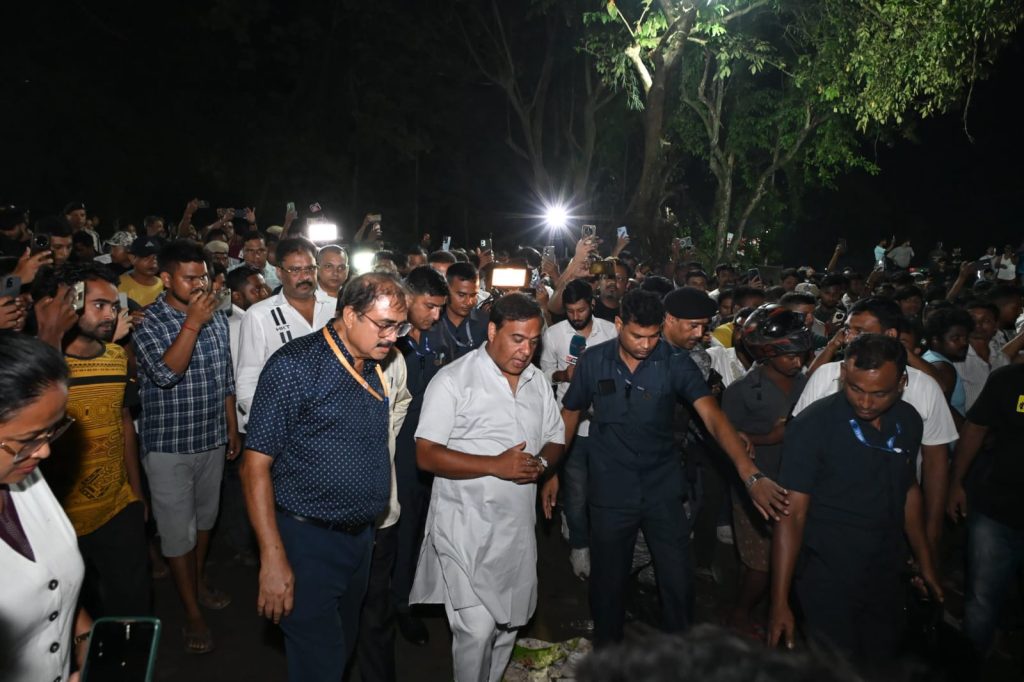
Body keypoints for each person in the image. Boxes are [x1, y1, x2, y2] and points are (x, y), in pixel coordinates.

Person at [560, 289, 789, 646]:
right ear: (619, 324)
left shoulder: (675, 362)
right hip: (611, 493)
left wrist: (751, 475)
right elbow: (570, 413)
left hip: (662, 490)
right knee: (608, 583)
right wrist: (552, 471)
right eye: (637, 336)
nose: (646, 345)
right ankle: (607, 655)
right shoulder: (593, 361)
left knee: (678, 581)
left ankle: (679, 657)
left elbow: (712, 417)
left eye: (653, 336)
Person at [241, 273, 408, 681]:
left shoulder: (374, 364)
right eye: (384, 325)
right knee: (322, 663)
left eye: (399, 327)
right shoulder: (295, 366)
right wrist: (272, 558)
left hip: (360, 539)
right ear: (350, 315)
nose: (393, 337)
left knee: (343, 647)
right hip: (307, 541)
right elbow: (254, 466)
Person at [412, 293, 565, 682]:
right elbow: (426, 454)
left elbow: (555, 437)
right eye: (517, 339)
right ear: (493, 331)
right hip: (463, 530)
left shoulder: (536, 381)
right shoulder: (454, 380)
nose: (525, 351)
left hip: (516, 532)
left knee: (509, 627)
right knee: (476, 631)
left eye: (533, 342)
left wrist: (542, 466)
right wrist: (495, 466)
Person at [769, 334, 942, 664]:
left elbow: (908, 490)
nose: (865, 402)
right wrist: (779, 602)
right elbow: (793, 514)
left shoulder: (908, 420)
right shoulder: (812, 425)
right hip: (827, 570)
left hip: (887, 569)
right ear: (843, 375)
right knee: (837, 665)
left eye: (879, 393)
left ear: (902, 382)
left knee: (881, 659)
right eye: (855, 388)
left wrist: (925, 560)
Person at [133, 239, 240, 654]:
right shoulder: (149, 321)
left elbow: (224, 374)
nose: (200, 285)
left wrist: (231, 426)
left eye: (204, 277)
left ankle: (196, 582)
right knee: (178, 534)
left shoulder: (214, 315)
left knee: (205, 521)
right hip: (169, 445)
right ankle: (191, 612)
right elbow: (165, 374)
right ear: (166, 278)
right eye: (190, 278)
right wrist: (192, 322)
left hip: (211, 438)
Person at [796, 297, 957, 556]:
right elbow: (799, 451)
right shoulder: (826, 376)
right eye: (847, 330)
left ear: (890, 335)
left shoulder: (925, 388)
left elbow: (935, 462)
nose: (849, 339)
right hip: (826, 518)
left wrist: (932, 530)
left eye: (860, 332)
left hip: (894, 520)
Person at [41, 264, 151, 620]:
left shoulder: (116, 357)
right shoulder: (45, 364)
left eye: (113, 306)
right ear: (70, 304)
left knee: (131, 607)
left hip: (117, 508)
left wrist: (136, 493)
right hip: (60, 517)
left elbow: (124, 422)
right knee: (72, 613)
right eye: (99, 305)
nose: (110, 314)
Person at [0, 331, 91, 682]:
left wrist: (82, 633)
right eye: (27, 440)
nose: (44, 451)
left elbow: (51, 581)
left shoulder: (24, 475)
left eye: (51, 431)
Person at [721, 305, 810, 637]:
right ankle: (739, 614)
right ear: (767, 353)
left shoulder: (810, 383)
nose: (797, 362)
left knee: (792, 557)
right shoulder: (741, 392)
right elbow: (727, 441)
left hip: (799, 485)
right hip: (758, 489)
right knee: (761, 564)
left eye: (801, 354)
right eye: (790, 356)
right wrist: (769, 437)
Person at [540, 279, 617, 578]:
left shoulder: (611, 332)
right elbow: (544, 374)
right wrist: (564, 374)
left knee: (604, 489)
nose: (575, 316)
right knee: (575, 491)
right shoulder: (554, 335)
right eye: (570, 311)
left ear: (592, 305)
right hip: (569, 426)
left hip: (605, 426)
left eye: (581, 310)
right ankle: (580, 547)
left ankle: (603, 542)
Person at [946, 363, 1024, 659]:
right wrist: (956, 482)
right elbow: (975, 429)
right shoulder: (1008, 379)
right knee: (981, 601)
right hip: (996, 510)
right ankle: (970, 665)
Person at [392, 266, 450, 647]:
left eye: (440, 307)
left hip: (431, 449)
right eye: (429, 306)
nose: (436, 314)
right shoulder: (387, 340)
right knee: (398, 530)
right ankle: (395, 603)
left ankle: (412, 596)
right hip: (396, 450)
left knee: (421, 529)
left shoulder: (437, 336)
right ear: (408, 297)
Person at [235, 237, 335, 429]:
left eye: (310, 269)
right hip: (283, 425)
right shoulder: (259, 315)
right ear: (279, 272)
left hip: (332, 423)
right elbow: (247, 379)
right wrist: (268, 423)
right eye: (295, 270)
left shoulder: (335, 309)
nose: (305, 276)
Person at [921, 307, 972, 420]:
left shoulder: (928, 358)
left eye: (966, 338)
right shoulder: (943, 368)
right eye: (956, 338)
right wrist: (968, 429)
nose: (964, 343)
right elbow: (943, 410)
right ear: (935, 340)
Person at [436, 262, 488, 361]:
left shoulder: (486, 323)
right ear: (446, 290)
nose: (468, 302)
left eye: (473, 295)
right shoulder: (431, 322)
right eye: (461, 295)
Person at [118, 236, 164, 306]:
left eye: (156, 257)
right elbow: (123, 310)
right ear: (132, 258)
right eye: (146, 257)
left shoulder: (163, 283)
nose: (153, 262)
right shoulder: (121, 284)